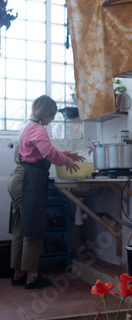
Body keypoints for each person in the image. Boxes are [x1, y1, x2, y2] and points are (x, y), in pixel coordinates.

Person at [8, 95, 85, 289]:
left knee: (20, 229)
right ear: (45, 113)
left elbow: (41, 149)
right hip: (29, 180)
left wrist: (67, 154)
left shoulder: (27, 126)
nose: (52, 120)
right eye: (51, 116)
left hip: (18, 178)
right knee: (33, 228)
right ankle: (32, 276)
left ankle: (18, 274)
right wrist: (66, 161)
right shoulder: (38, 128)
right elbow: (48, 152)